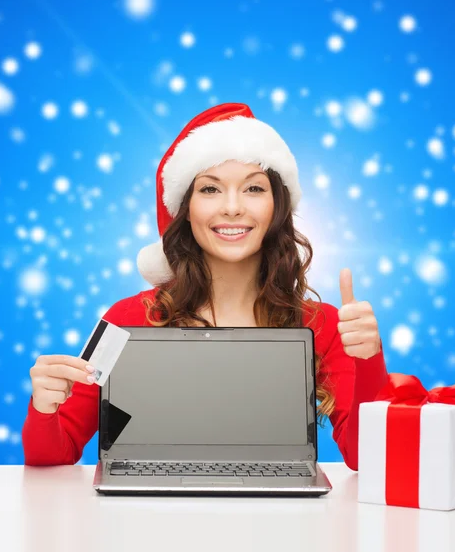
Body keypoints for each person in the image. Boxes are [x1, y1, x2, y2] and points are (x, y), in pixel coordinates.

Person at [22, 102, 389, 469]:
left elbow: (369, 459)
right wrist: (43, 405)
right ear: (185, 209)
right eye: (210, 190)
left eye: (254, 189)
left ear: (277, 206)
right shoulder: (128, 318)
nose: (232, 208)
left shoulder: (322, 324)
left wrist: (369, 359)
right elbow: (53, 454)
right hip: (147, 518)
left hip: (279, 519)